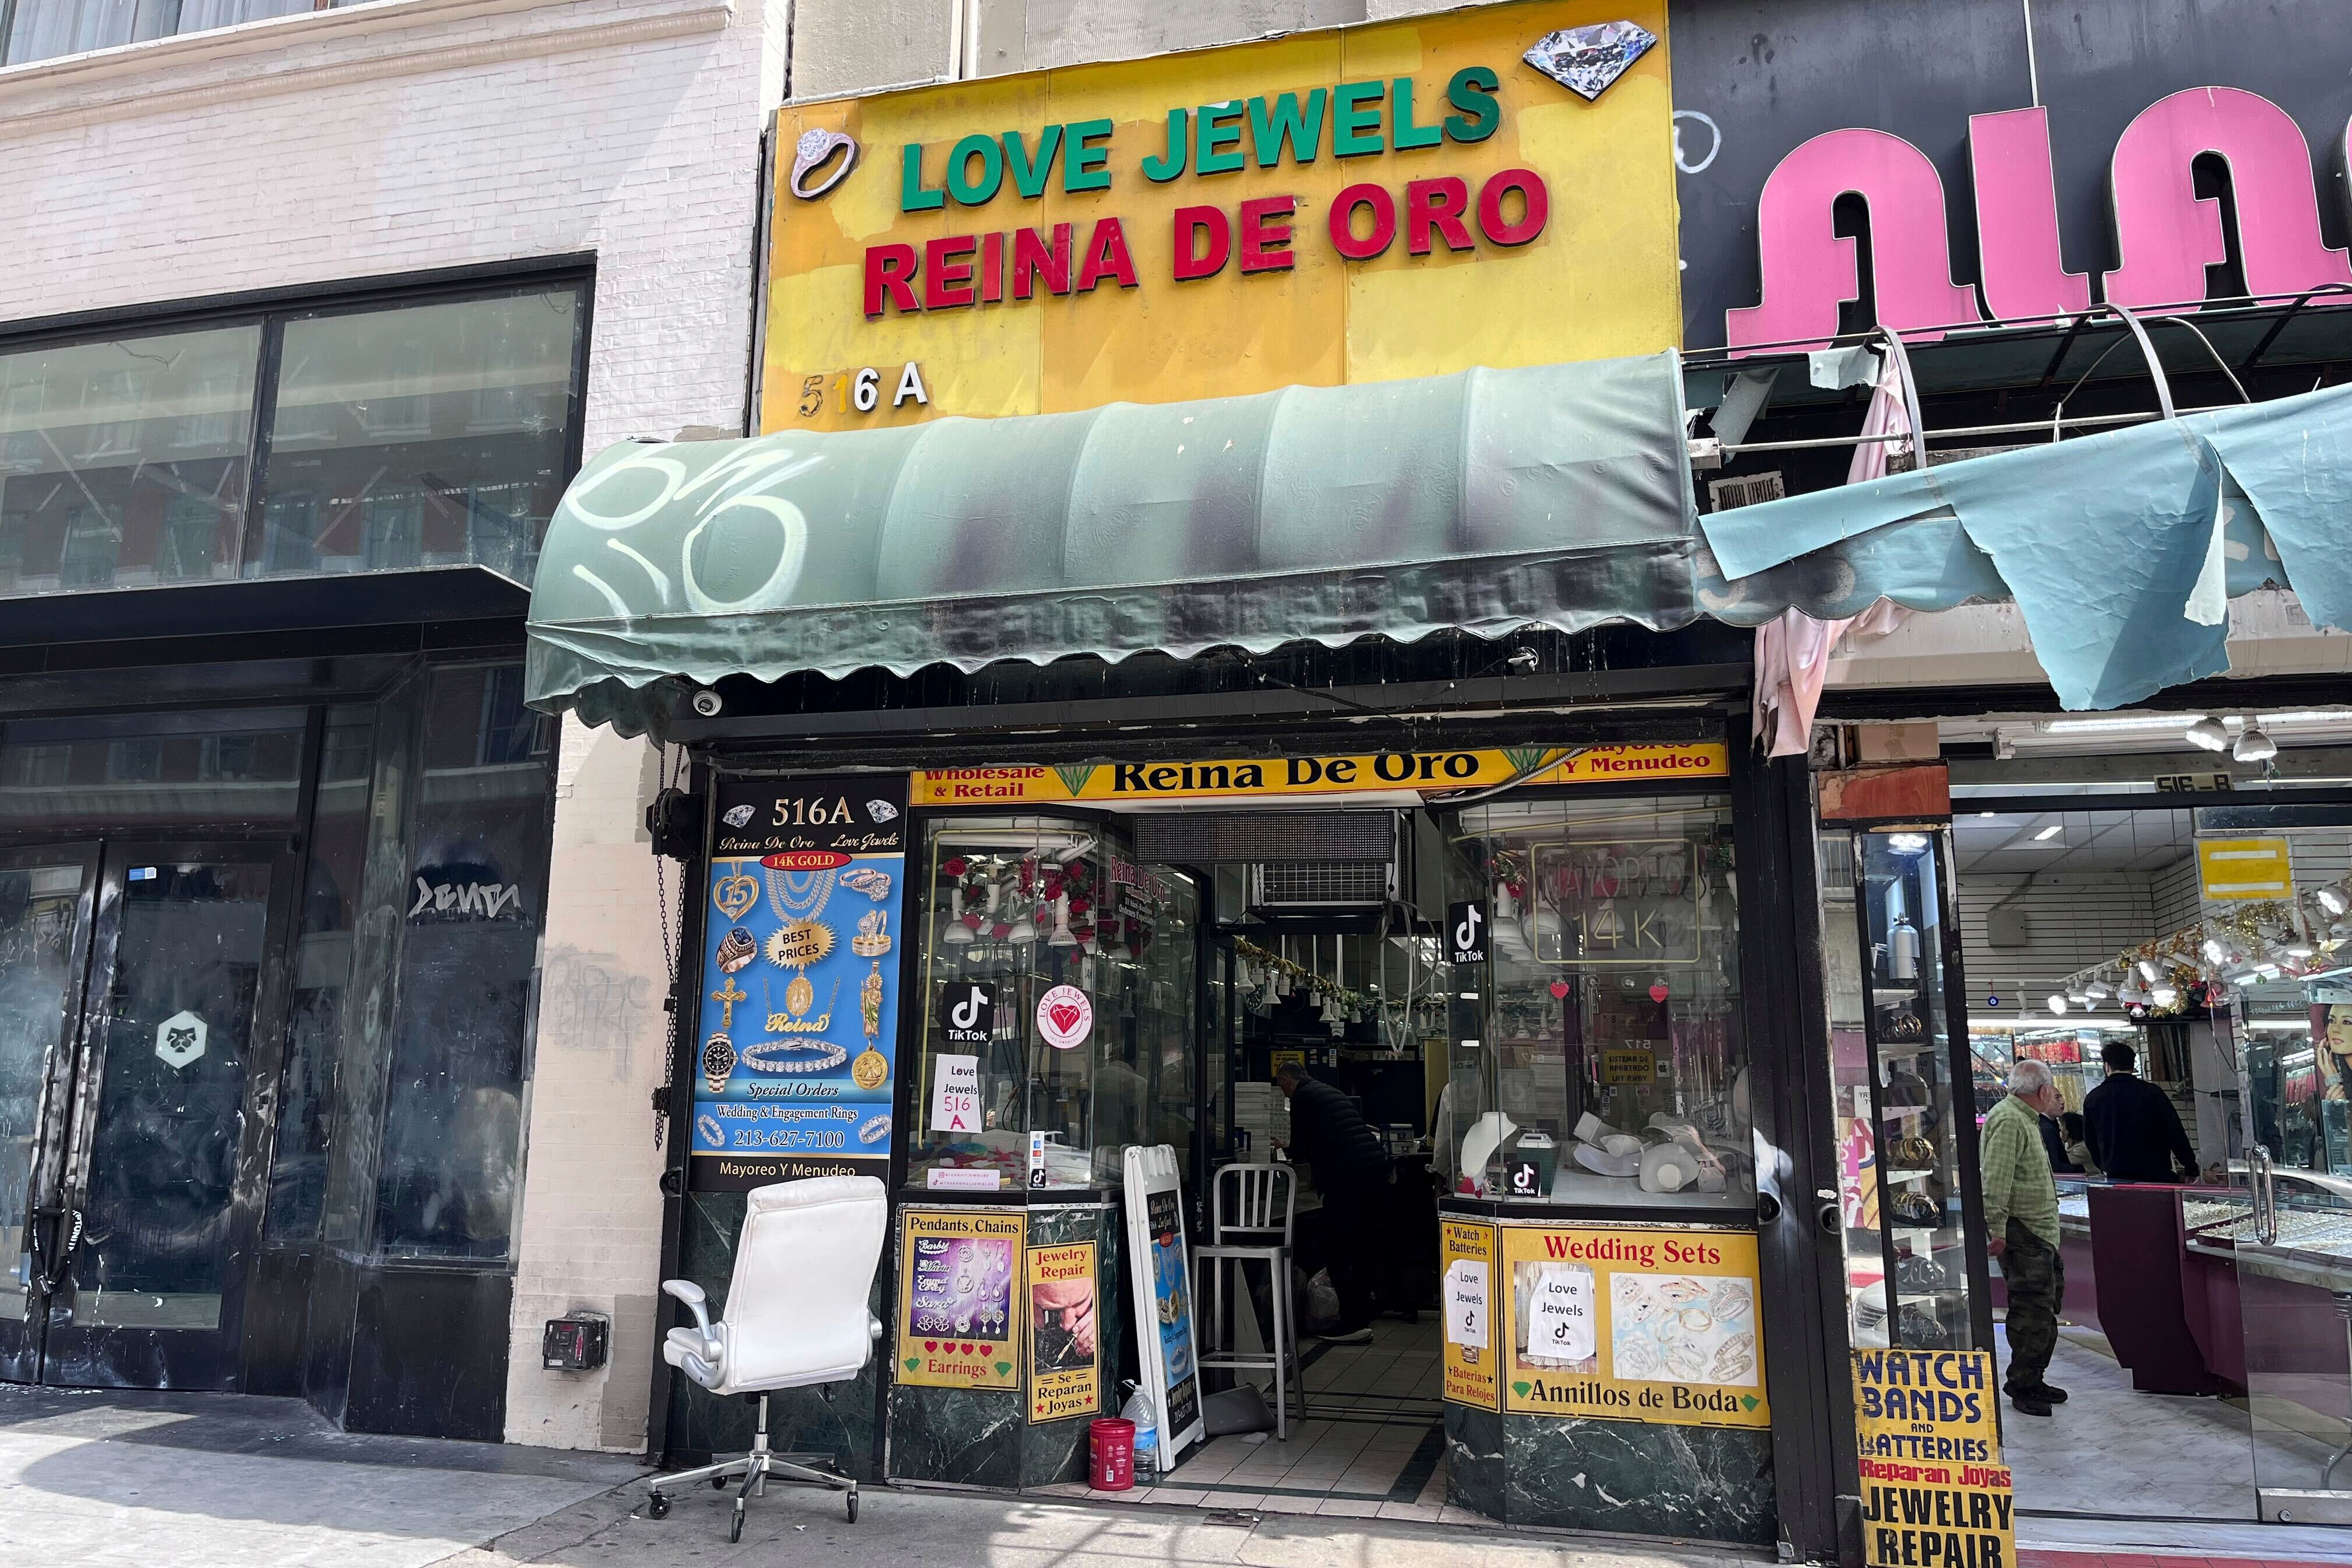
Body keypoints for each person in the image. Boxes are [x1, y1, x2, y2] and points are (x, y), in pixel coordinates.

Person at [1273, 1061, 1391, 1338]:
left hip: (1349, 1177)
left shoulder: (1302, 1097)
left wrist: (1284, 1151)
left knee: (1335, 1247)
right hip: (1374, 1171)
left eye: (1282, 1087)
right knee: (1362, 1247)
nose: (1284, 1093)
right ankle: (1362, 1313)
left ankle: (1350, 1322)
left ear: (1288, 1079)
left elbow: (1302, 1149)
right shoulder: (1328, 1091)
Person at [1980, 1058, 2068, 1417]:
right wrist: (1997, 1229)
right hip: (2023, 1231)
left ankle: (2034, 1377)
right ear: (2044, 1090)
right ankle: (2023, 1384)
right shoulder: (2010, 1120)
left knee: (2044, 1309)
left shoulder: (2024, 1118)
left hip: (2038, 1232)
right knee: (2031, 1310)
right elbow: (1995, 1181)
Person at [2081, 1039, 2197, 1183]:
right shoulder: (2153, 1093)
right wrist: (2190, 1165)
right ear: (2132, 1065)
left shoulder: (2094, 1098)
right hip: (2157, 1175)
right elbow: (2174, 1131)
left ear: (2107, 1066)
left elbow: (2090, 1140)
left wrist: (2104, 1164)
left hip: (2117, 1177)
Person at [2059, 1111, 2100, 1177]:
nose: (2060, 1130)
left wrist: (2058, 1141)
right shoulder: (2074, 1147)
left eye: (2062, 1127)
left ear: (2071, 1130)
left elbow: (2063, 1161)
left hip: (2093, 1181)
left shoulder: (2082, 1148)